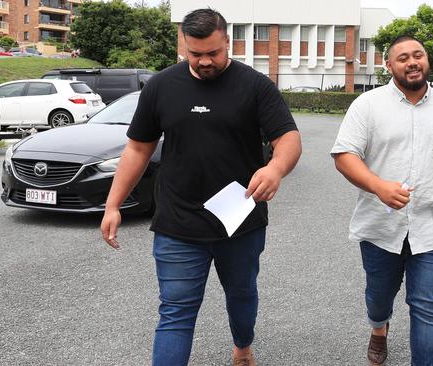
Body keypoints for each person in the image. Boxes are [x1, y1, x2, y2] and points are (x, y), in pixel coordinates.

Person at [100, 8, 301, 366]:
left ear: (228, 41)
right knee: (175, 313)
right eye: (196, 54)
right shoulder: (161, 86)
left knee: (241, 298)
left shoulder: (255, 86)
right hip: (178, 223)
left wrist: (276, 168)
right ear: (184, 45)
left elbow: (288, 138)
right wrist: (113, 204)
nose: (205, 61)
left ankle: (242, 347)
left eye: (213, 52)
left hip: (239, 220)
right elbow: (138, 148)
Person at [330, 35, 433, 366]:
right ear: (389, 65)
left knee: (427, 305)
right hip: (380, 226)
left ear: (426, 61)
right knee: (379, 298)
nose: (412, 62)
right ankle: (379, 328)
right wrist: (378, 186)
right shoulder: (367, 106)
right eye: (403, 58)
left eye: (418, 55)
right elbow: (344, 156)